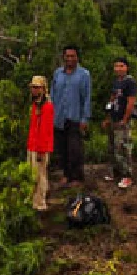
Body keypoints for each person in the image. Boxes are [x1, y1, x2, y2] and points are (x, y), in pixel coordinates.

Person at [50, 45, 91, 186]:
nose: (70, 59)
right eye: (67, 56)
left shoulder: (84, 75)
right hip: (59, 117)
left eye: (72, 56)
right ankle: (66, 175)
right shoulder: (58, 73)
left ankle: (77, 177)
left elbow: (86, 97)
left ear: (77, 57)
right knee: (62, 149)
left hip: (75, 117)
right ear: (64, 57)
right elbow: (53, 94)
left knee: (75, 149)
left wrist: (85, 118)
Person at [103, 57, 137, 189]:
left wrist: (125, 119)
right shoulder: (116, 82)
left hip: (123, 119)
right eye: (116, 66)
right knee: (112, 147)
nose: (118, 69)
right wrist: (107, 117)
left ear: (127, 67)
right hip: (114, 117)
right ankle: (116, 172)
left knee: (122, 147)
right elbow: (112, 99)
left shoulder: (130, 82)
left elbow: (131, 102)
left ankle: (127, 175)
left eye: (121, 66)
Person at [26, 75, 54, 211]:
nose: (34, 90)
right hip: (32, 145)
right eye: (33, 87)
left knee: (40, 175)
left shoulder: (47, 107)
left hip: (40, 147)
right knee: (33, 174)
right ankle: (33, 199)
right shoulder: (35, 105)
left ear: (43, 89)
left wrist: (40, 150)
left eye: (37, 87)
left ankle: (40, 202)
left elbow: (45, 131)